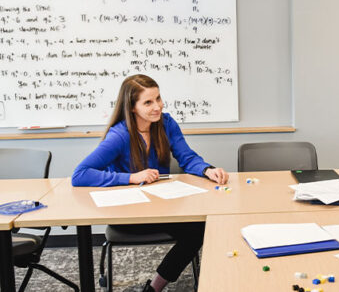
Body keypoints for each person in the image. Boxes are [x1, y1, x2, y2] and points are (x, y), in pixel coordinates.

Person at [71, 74, 228, 292]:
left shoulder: (166, 124)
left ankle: (154, 287)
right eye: (148, 102)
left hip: (161, 207)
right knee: (196, 230)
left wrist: (207, 170)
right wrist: (131, 178)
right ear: (132, 107)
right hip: (127, 213)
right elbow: (80, 175)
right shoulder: (120, 135)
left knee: (201, 228)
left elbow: (187, 157)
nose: (157, 106)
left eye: (158, 98)